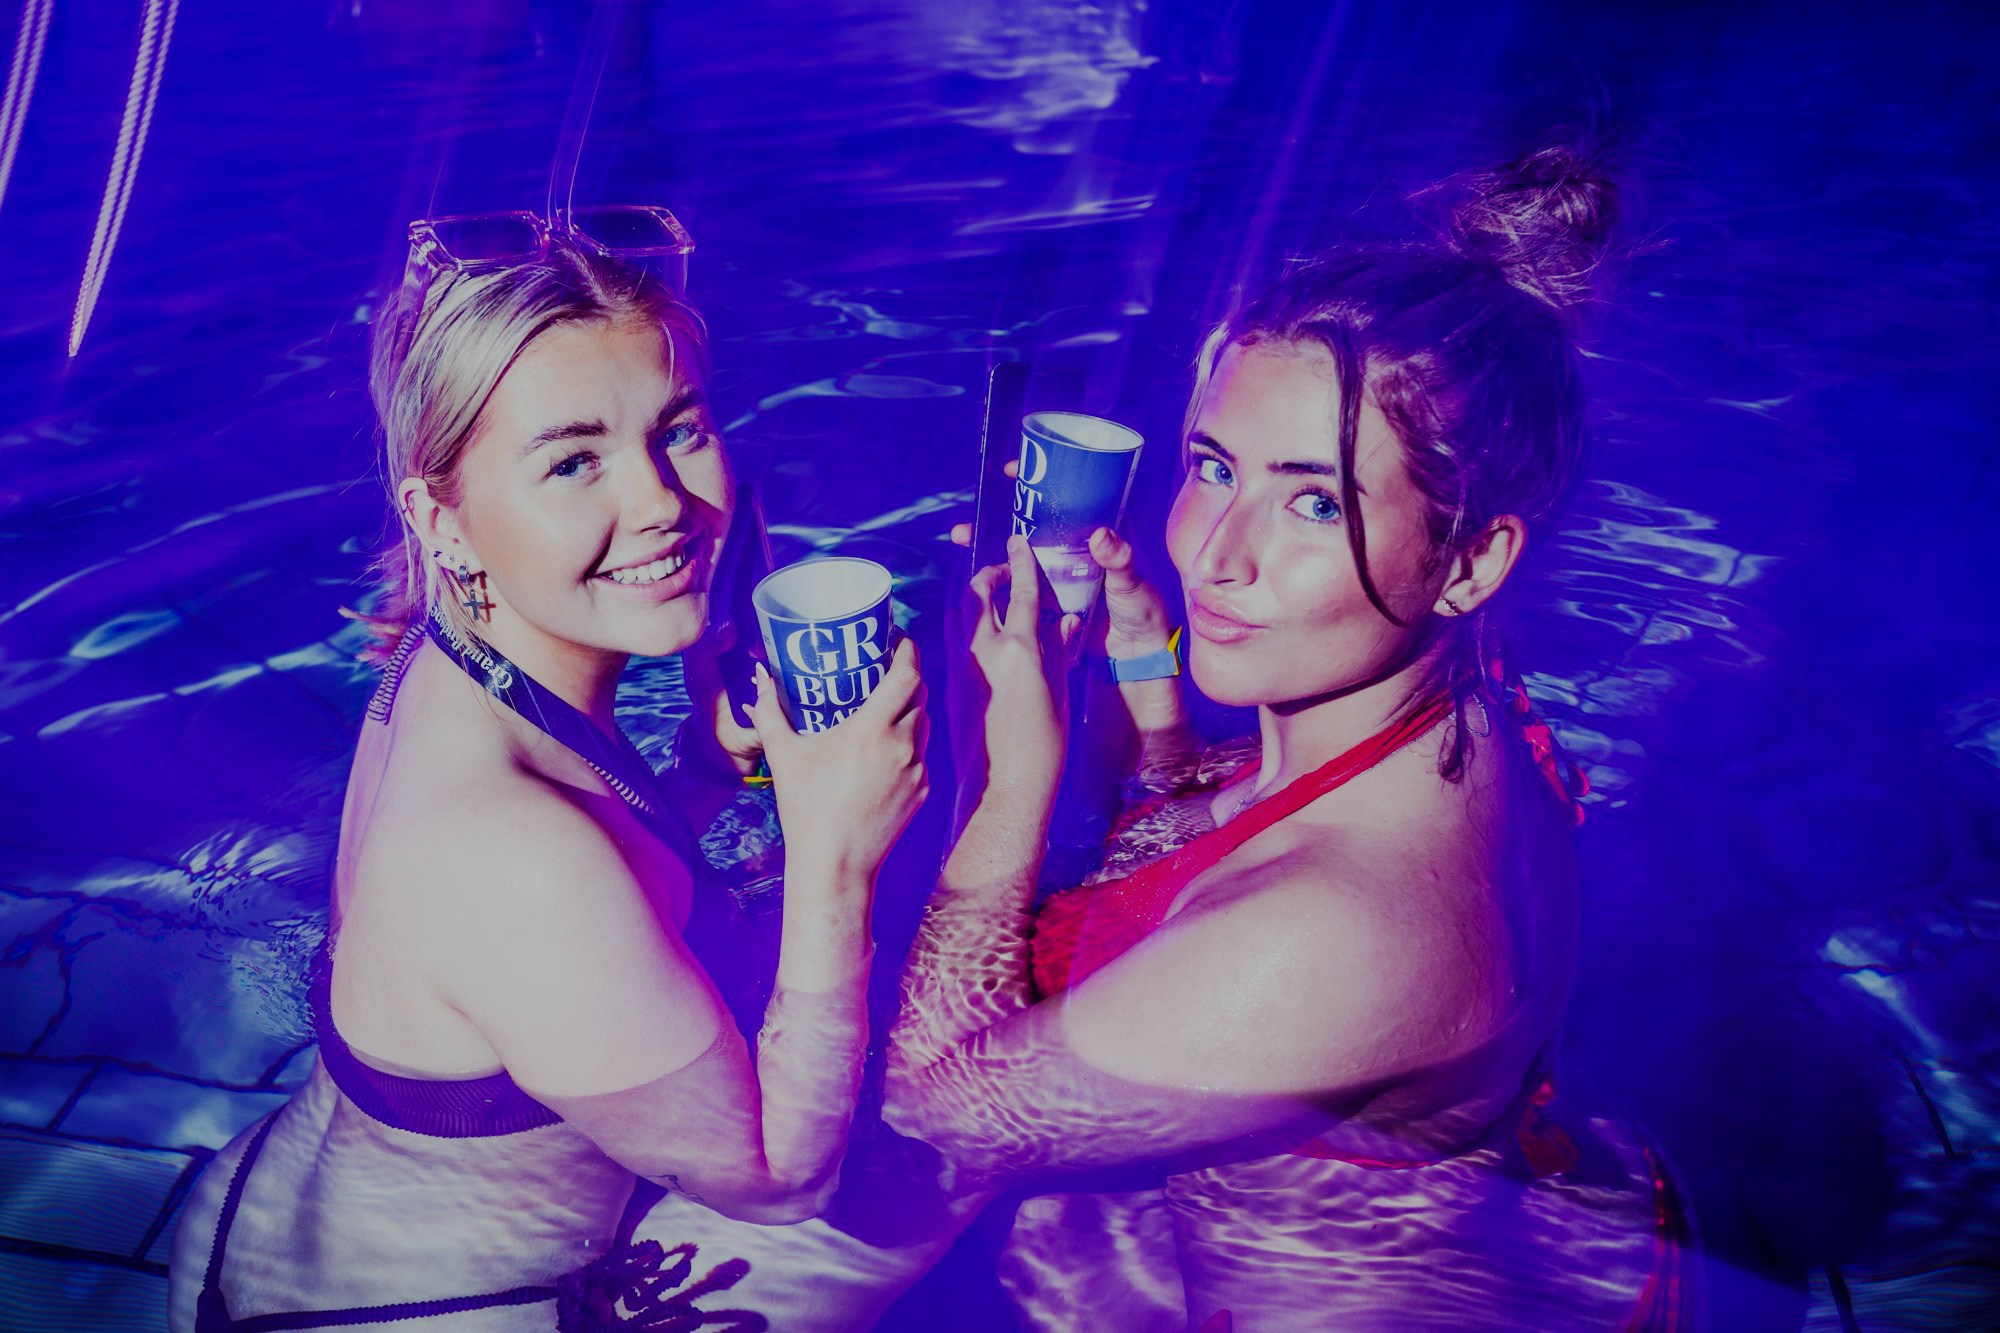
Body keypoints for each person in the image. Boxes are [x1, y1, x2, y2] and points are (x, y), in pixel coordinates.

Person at [889, 147, 1694, 1330]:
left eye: (1313, 501)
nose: (1215, 552)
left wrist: (1010, 779)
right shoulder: (1460, 706)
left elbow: (935, 1114)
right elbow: (1228, 830)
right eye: (1214, 468)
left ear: (1469, 561)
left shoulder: (1337, 932)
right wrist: (1151, 691)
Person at [167, 212, 930, 1331]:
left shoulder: (452, 669)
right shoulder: (511, 851)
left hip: (266, 1237)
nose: (662, 502)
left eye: (678, 430)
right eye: (574, 461)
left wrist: (701, 774)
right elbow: (776, 1185)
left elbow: (587, 889)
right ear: (445, 516)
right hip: (415, 1312)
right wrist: (834, 860)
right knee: (946, 1156)